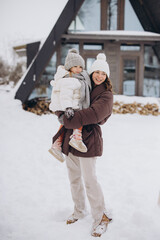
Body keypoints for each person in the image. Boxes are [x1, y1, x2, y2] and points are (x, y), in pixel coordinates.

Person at [54, 52, 113, 237]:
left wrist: (64, 118)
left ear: (106, 76)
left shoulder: (106, 95)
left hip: (89, 140)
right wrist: (61, 111)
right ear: (92, 72)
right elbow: (63, 100)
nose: (99, 76)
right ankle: (79, 210)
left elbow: (93, 115)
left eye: (103, 74)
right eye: (96, 72)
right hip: (72, 138)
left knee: (89, 180)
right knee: (74, 179)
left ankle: (100, 216)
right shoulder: (82, 84)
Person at [49, 49, 91, 162]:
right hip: (67, 107)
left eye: (81, 67)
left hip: (68, 106)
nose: (79, 69)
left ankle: (57, 144)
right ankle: (76, 136)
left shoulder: (76, 78)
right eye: (76, 66)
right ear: (69, 67)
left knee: (67, 124)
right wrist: (68, 107)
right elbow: (65, 95)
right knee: (80, 118)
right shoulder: (68, 79)